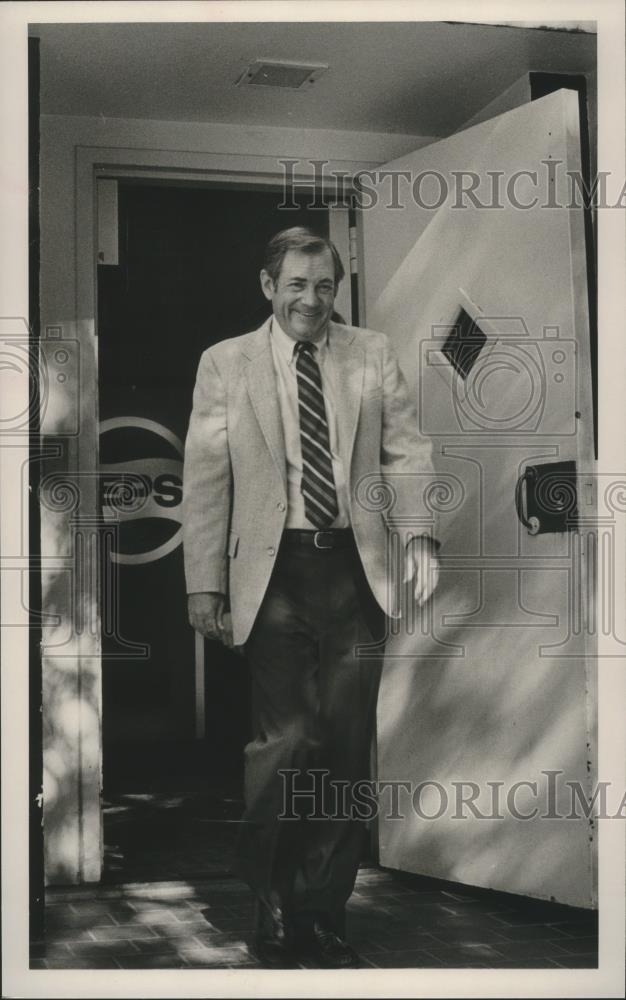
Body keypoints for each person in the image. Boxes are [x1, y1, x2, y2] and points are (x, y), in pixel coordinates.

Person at [182, 226, 440, 968]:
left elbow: (407, 450)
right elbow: (206, 481)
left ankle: (321, 912)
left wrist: (418, 536)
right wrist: (204, 582)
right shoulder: (225, 364)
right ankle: (268, 896)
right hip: (272, 574)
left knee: (346, 751)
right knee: (287, 742)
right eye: (297, 285)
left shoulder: (370, 353)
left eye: (324, 286)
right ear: (269, 287)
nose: (312, 300)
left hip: (354, 571)